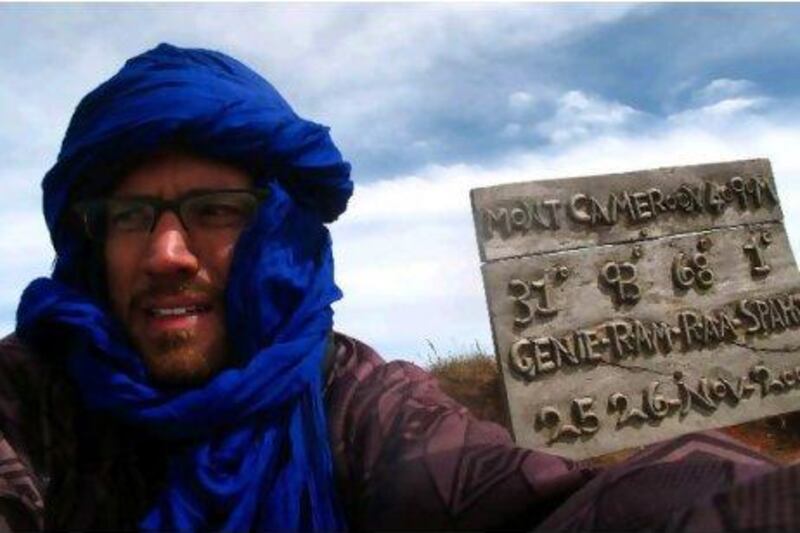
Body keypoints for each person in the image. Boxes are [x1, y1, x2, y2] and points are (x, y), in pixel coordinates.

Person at [0, 43, 797, 532]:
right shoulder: (28, 398)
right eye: (133, 215)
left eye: (214, 210)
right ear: (90, 237)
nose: (167, 252)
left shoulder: (354, 404)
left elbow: (547, 502)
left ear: (282, 237)